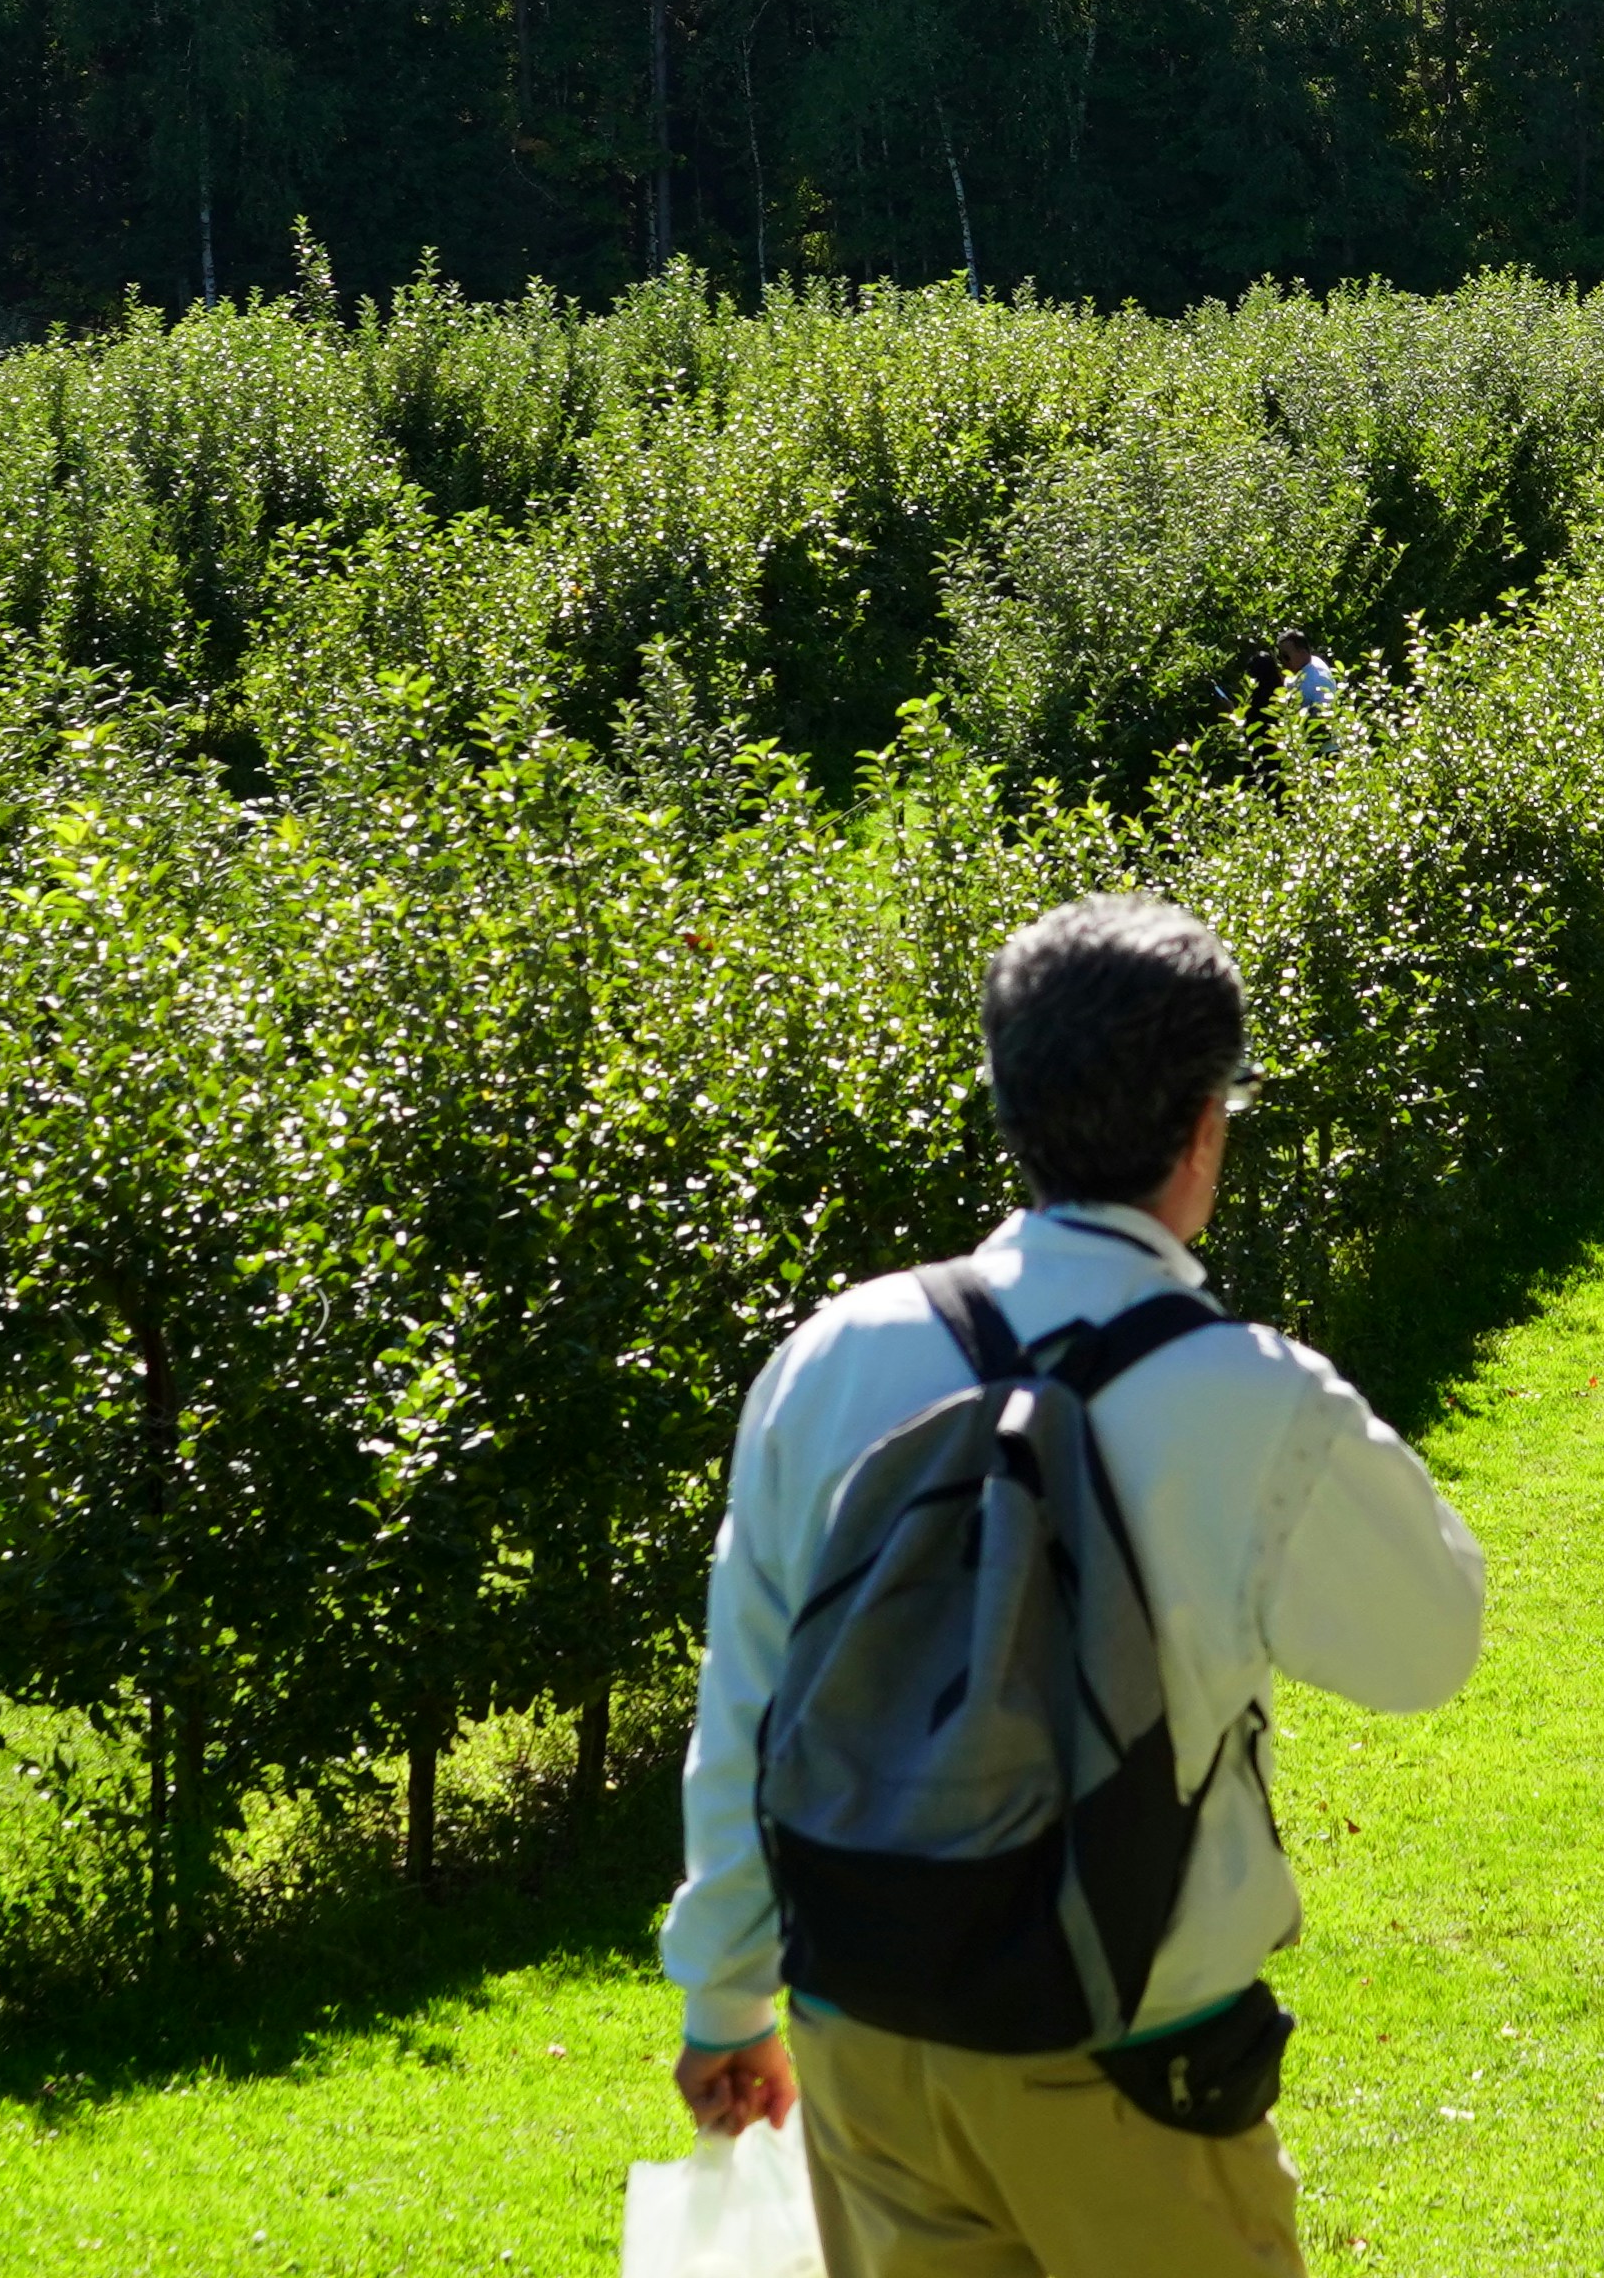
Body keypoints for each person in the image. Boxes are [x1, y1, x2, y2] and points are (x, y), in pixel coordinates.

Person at [661, 895, 1485, 2277]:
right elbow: (1430, 1644)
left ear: (1008, 1102)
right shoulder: (1245, 1392)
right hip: (1133, 2066)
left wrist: (725, 1993)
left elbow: (748, 1704)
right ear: (1207, 1123)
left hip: (869, 2045)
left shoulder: (835, 1354)